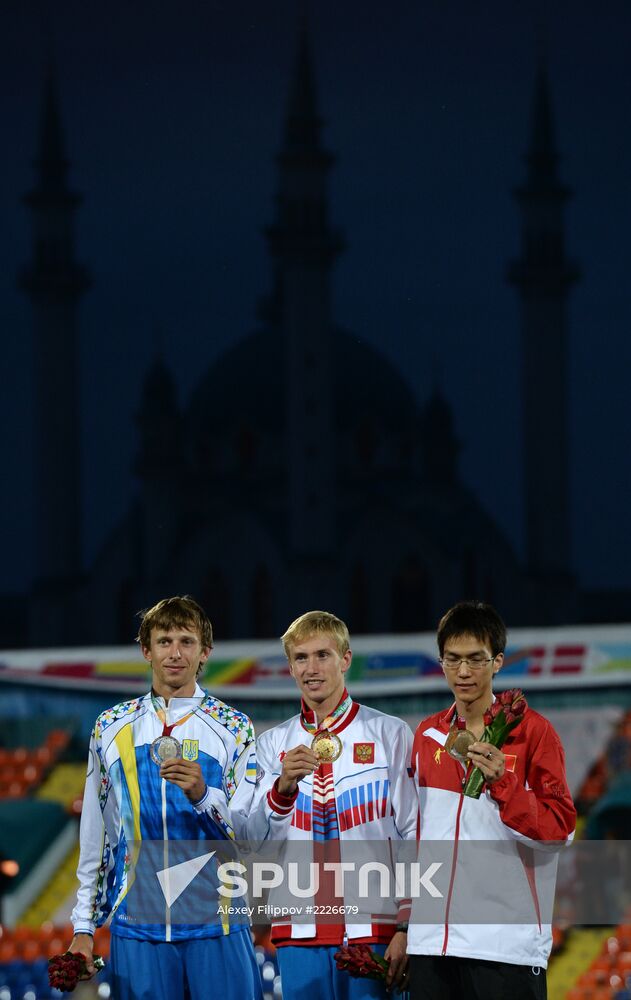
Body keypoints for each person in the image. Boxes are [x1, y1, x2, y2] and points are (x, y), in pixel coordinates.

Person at [68, 595, 263, 1000]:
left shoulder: (234, 727)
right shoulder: (111, 727)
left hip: (219, 922)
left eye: (187, 642)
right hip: (138, 923)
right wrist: (84, 927)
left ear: (205, 652)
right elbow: (97, 836)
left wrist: (204, 795)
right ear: (146, 650)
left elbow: (252, 836)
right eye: (164, 641)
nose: (175, 653)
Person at [406, 601, 577, 1000]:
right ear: (441, 662)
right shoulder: (427, 735)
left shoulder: (534, 733)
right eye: (453, 659)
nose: (463, 672)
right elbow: (412, 836)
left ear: (498, 662)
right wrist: (405, 927)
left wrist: (505, 784)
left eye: (475, 660)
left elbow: (559, 831)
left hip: (503, 946)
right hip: (432, 945)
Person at [244, 610, 419, 999]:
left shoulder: (390, 734)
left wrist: (408, 926)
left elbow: (414, 833)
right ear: (290, 667)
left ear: (346, 659)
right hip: (298, 929)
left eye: (323, 655)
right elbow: (254, 841)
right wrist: (282, 787)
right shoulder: (271, 745)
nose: (312, 668)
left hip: (376, 928)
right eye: (301, 658)